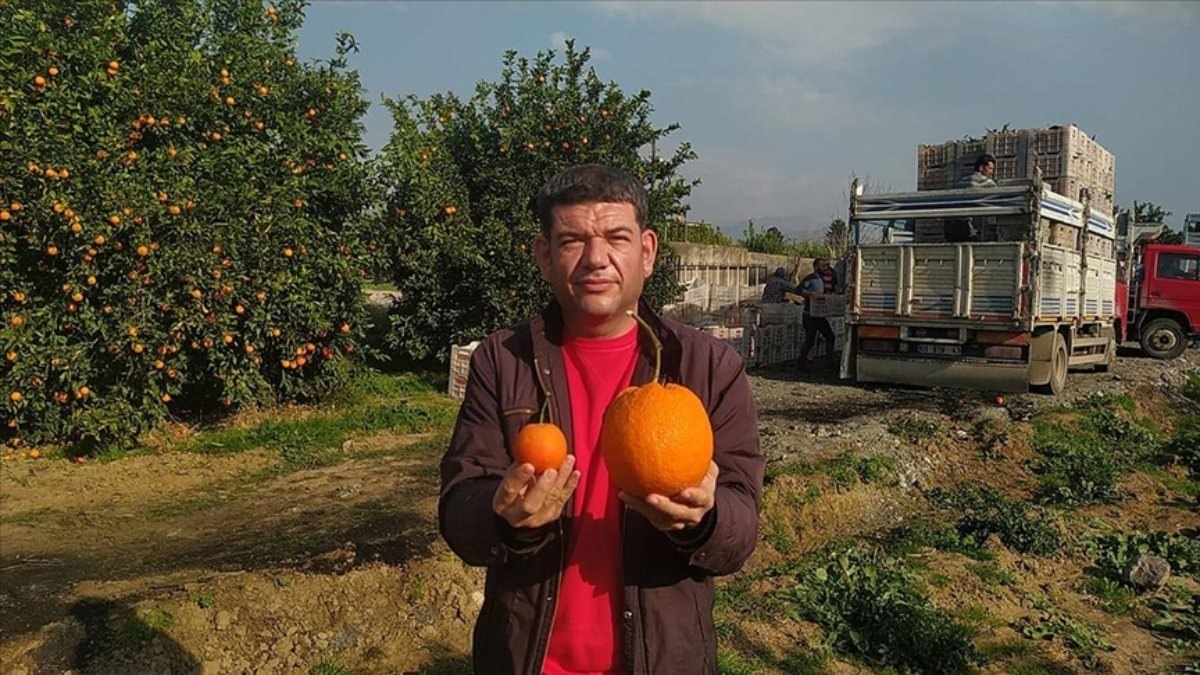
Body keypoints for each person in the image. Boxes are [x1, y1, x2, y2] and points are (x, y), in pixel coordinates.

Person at [438, 164, 764, 675]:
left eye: (616, 237)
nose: (596, 259)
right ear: (544, 257)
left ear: (648, 251)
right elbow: (459, 507)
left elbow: (741, 528)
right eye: (572, 240)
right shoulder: (504, 360)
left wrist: (704, 521)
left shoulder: (707, 366)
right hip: (526, 660)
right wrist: (504, 519)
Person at [797, 258, 837, 371]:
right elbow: (798, 290)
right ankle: (801, 364)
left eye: (826, 266)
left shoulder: (826, 279)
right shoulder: (810, 278)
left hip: (820, 315)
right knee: (810, 340)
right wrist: (811, 294)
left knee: (830, 337)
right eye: (822, 266)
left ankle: (830, 363)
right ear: (815, 267)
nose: (825, 268)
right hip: (809, 315)